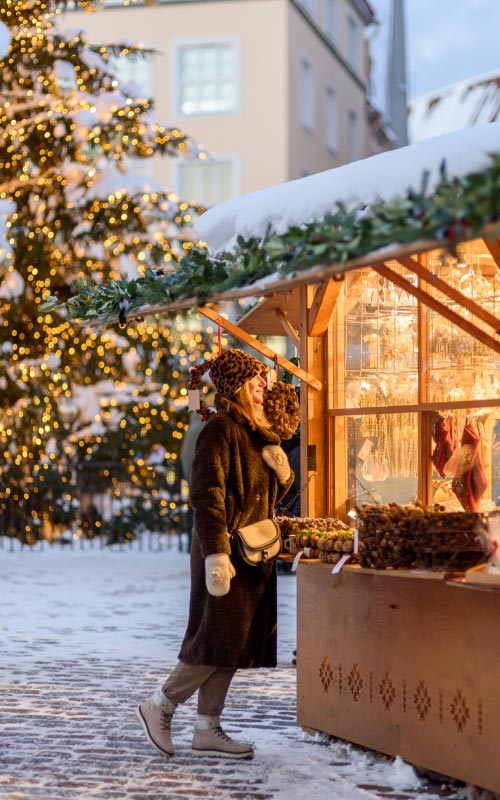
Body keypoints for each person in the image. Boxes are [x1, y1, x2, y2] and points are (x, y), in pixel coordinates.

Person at [136, 349, 294, 759]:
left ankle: (208, 726)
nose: (264, 383)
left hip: (253, 555)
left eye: (263, 376)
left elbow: (263, 499)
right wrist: (216, 555)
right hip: (223, 553)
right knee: (212, 639)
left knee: (235, 643)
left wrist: (282, 474)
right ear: (237, 385)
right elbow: (207, 497)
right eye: (256, 377)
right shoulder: (219, 430)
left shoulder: (258, 433)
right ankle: (161, 706)